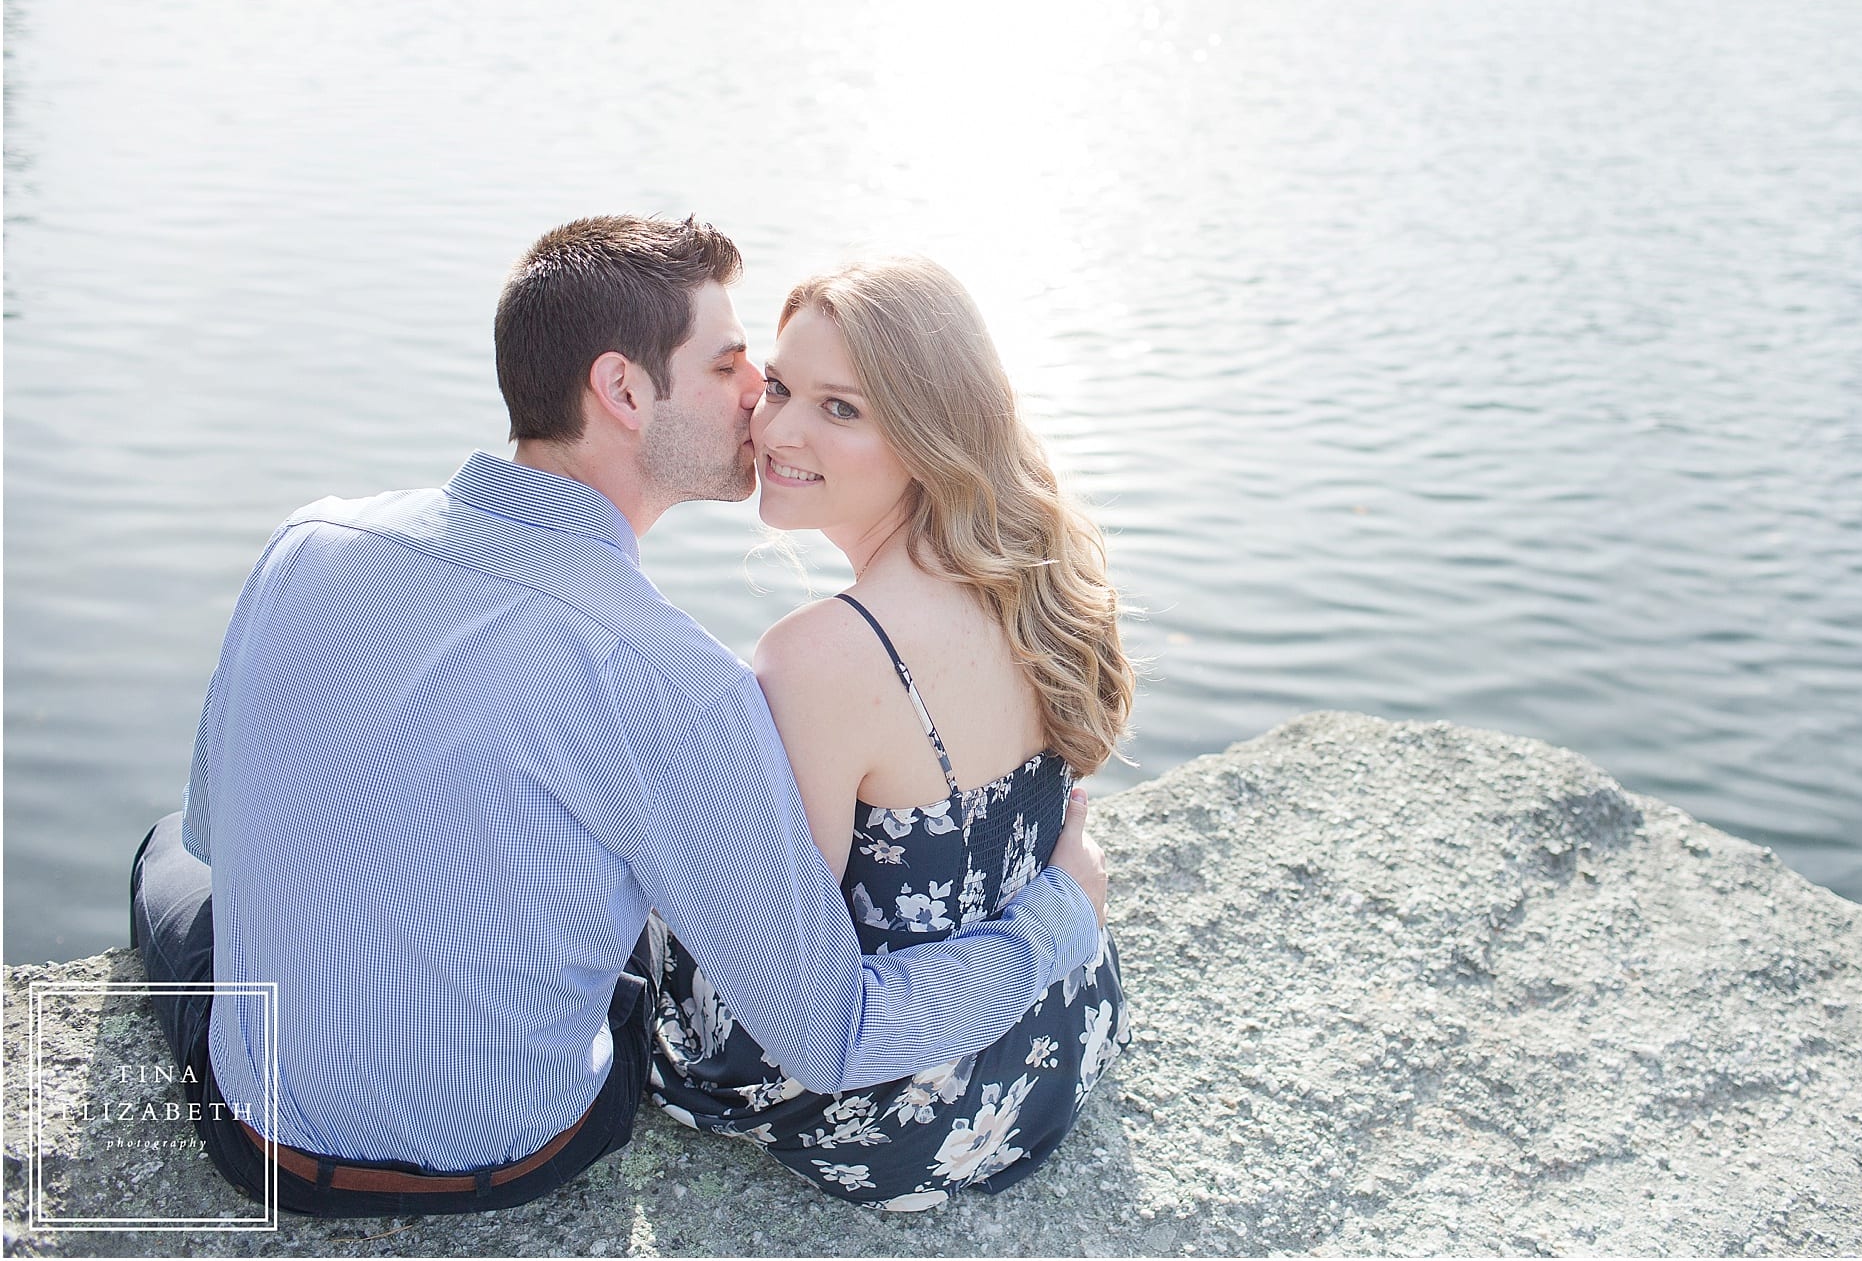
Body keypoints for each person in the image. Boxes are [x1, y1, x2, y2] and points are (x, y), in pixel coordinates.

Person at [126, 215, 1108, 1218]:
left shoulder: (308, 539)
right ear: (624, 391)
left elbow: (215, 835)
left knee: (166, 847)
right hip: (516, 1152)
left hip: (255, 1137)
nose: (757, 409)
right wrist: (1056, 919)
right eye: (735, 367)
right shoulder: (682, 683)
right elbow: (829, 1034)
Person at [647, 256, 1135, 1211]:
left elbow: (780, 998)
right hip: (1061, 1033)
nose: (778, 428)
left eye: (842, 408)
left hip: (903, 1113)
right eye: (779, 385)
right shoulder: (1032, 579)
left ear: (926, 436)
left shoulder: (817, 658)